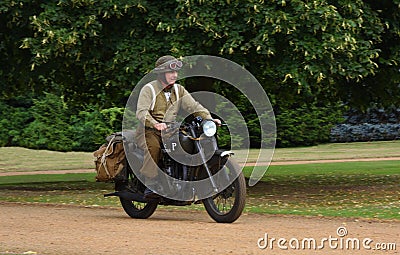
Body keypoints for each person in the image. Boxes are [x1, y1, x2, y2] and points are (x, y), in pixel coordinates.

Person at [135, 55, 220, 199]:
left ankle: (185, 180)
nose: (174, 75)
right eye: (170, 72)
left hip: (170, 130)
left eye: (175, 72)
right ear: (161, 73)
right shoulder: (149, 89)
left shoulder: (178, 90)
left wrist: (209, 119)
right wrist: (155, 123)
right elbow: (141, 112)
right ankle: (150, 184)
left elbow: (193, 106)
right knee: (154, 148)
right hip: (148, 131)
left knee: (189, 143)